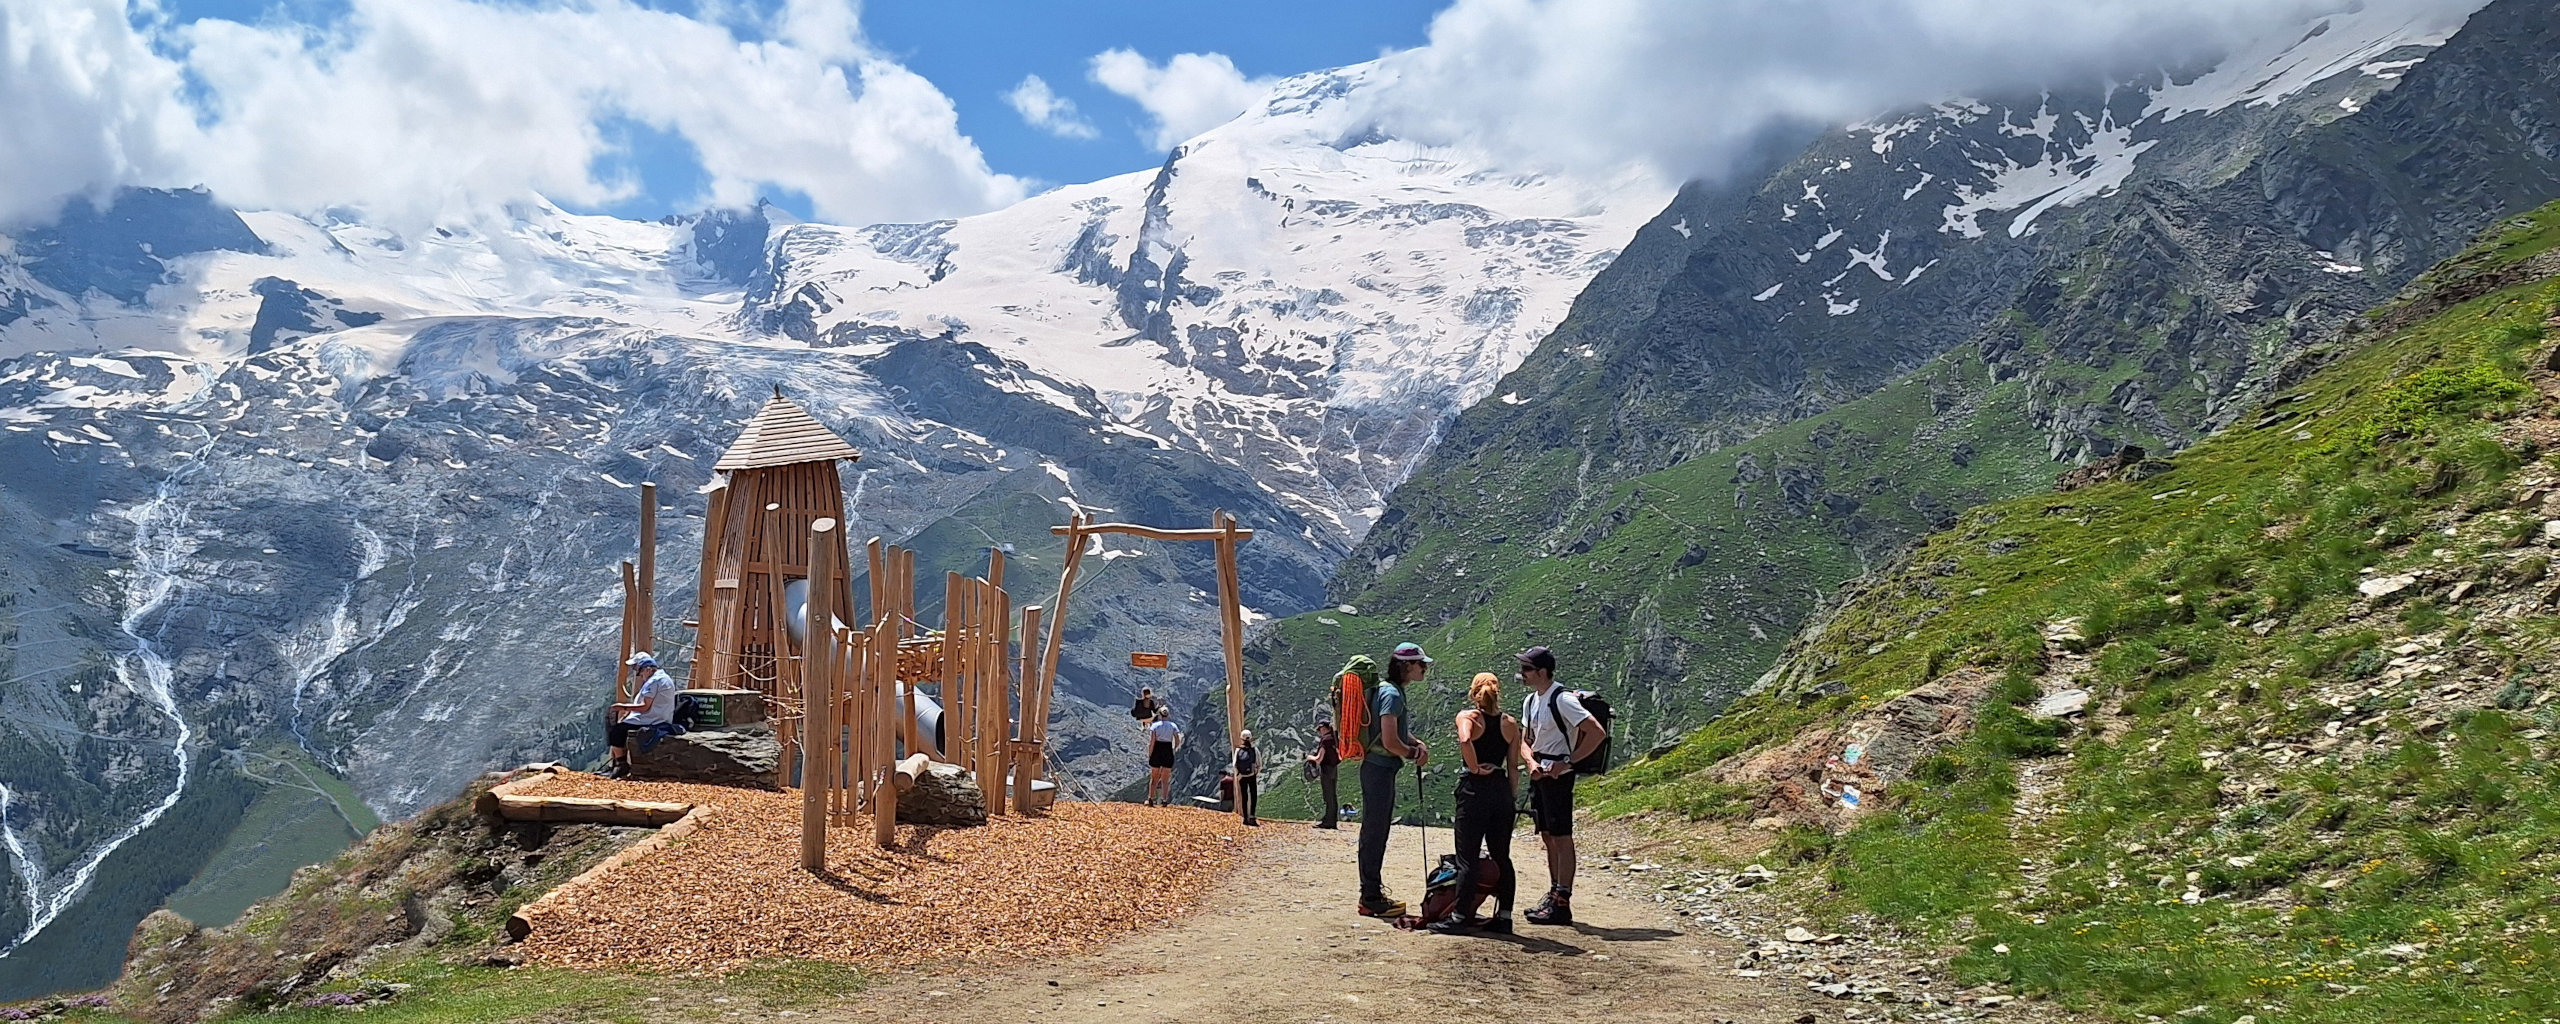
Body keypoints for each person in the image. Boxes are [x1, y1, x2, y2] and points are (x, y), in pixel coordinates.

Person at [1517, 645, 1603, 926]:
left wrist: (1568, 763)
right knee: (1547, 835)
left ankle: (1562, 900)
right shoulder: (1531, 701)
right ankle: (1554, 894)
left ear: (1542, 672)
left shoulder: (1562, 699)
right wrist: (1530, 762)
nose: (1522, 674)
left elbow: (1596, 733)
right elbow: (1525, 739)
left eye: (1527, 669)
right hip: (1540, 773)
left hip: (1558, 777)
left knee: (1562, 836)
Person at [1431, 672, 1523, 934]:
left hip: (1474, 791)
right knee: (1501, 856)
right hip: (1501, 790)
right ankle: (1504, 917)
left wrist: (1473, 768)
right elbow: (1514, 766)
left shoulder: (1468, 717)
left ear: (1474, 693)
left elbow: (1464, 739)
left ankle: (1459, 917)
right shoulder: (1510, 723)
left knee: (1467, 857)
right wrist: (1511, 795)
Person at [1356, 642, 1431, 918]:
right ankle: (1370, 897)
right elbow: (1390, 741)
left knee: (1374, 829)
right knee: (1375, 831)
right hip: (1380, 768)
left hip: (1374, 767)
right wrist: (1414, 753)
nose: (1424, 668)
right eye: (1421, 664)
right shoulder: (1393, 696)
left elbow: (1389, 732)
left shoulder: (1387, 691)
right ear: (1407, 666)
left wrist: (1413, 742)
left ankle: (1371, 892)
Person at [605, 651, 678, 780]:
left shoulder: (654, 682)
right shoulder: (662, 679)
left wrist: (623, 707)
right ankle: (617, 764)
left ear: (648, 669)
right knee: (620, 727)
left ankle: (620, 764)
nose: (638, 674)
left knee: (616, 730)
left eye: (638, 670)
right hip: (657, 717)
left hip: (651, 719)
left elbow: (645, 707)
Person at [1306, 721, 1342, 829]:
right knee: (1333, 795)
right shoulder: (1335, 739)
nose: (1319, 732)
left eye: (1320, 729)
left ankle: (1328, 821)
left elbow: (1319, 758)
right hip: (1334, 769)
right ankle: (1333, 819)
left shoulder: (1325, 741)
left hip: (1326, 769)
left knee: (1327, 795)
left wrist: (1309, 757)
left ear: (1324, 728)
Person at [1145, 707, 1182, 806]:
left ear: (1160, 715)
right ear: (1168, 715)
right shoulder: (1173, 726)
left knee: (1154, 778)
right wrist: (1174, 749)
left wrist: (1150, 753)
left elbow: (1152, 742)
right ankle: (1164, 799)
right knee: (1165, 779)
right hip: (1167, 749)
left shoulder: (1155, 726)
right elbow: (1177, 739)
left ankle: (1151, 798)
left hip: (1157, 749)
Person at [1231, 729, 1263, 826]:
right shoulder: (1254, 750)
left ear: (1241, 739)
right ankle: (1252, 816)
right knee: (1253, 795)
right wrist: (1255, 772)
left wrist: (1238, 774)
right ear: (1251, 738)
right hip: (1252, 776)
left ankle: (1245, 817)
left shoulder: (1238, 750)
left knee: (1244, 796)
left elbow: (1234, 764)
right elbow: (1259, 764)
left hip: (1242, 777)